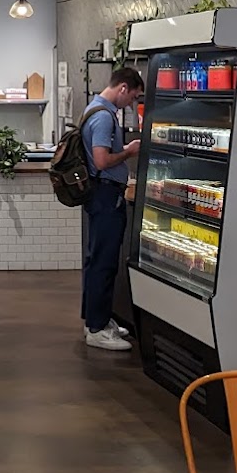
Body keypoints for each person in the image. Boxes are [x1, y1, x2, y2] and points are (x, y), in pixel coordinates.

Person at [79, 65, 145, 351]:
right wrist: (129, 151)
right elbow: (102, 160)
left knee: (97, 259)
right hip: (106, 196)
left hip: (100, 195)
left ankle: (97, 320)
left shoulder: (93, 108)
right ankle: (97, 329)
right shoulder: (104, 117)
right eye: (133, 97)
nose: (131, 103)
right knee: (103, 262)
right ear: (123, 88)